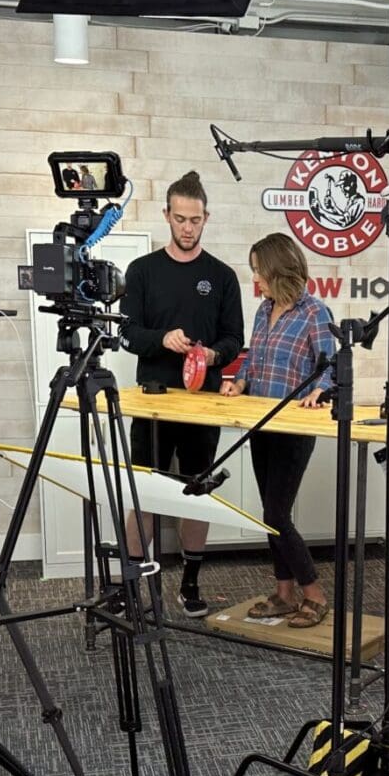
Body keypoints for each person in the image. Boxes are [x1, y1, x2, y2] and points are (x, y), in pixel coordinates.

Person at [119, 170, 244, 617]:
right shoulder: (142, 271)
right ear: (166, 216)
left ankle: (190, 583)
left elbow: (234, 339)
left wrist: (212, 355)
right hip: (152, 400)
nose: (187, 227)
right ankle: (131, 584)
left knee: (197, 492)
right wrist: (161, 339)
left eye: (195, 220)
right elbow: (127, 334)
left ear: (206, 218)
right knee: (145, 492)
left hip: (202, 403)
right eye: (179, 219)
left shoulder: (223, 276)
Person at [221, 232, 335, 629]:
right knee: (271, 516)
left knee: (275, 512)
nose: (256, 279)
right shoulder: (262, 310)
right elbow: (254, 360)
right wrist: (238, 382)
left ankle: (315, 594)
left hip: (292, 427)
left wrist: (321, 389)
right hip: (259, 423)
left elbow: (329, 366)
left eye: (259, 271)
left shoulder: (314, 313)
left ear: (277, 269)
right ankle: (284, 595)